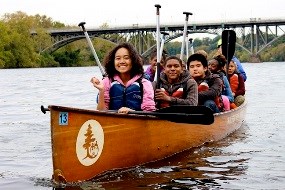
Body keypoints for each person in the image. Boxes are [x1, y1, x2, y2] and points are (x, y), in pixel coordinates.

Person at [90, 42, 156, 114]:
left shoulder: (144, 83)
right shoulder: (106, 82)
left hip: (137, 122)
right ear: (113, 61)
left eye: (126, 58)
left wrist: (132, 112)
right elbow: (101, 113)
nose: (122, 61)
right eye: (118, 58)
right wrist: (101, 91)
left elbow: (150, 113)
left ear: (133, 61)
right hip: (113, 122)